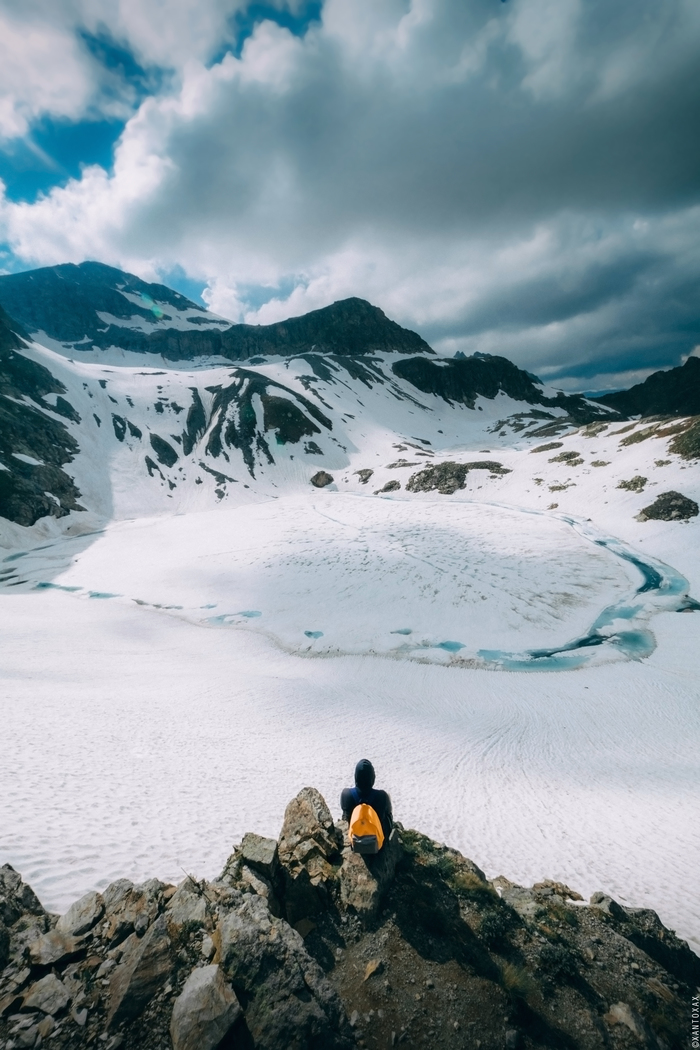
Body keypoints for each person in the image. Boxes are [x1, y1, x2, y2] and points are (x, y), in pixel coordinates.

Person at [341, 759, 393, 842]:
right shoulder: (382, 796)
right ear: (372, 777)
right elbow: (388, 814)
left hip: (354, 841)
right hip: (378, 842)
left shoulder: (346, 794)